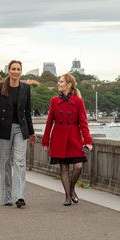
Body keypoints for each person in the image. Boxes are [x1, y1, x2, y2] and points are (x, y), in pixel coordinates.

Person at [0, 60, 37, 208]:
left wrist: (31, 132)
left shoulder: (25, 88)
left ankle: (20, 196)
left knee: (20, 162)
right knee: (5, 163)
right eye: (13, 69)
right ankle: (6, 197)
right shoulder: (0, 87)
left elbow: (27, 111)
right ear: (8, 70)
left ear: (21, 71)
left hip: (20, 129)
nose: (16, 71)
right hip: (4, 128)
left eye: (18, 69)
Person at [42, 73, 93, 206]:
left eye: (61, 81)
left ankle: (71, 189)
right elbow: (49, 122)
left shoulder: (78, 101)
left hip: (74, 138)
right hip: (59, 138)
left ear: (69, 85)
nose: (58, 83)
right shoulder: (54, 100)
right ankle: (67, 196)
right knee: (63, 168)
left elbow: (84, 123)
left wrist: (88, 141)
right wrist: (45, 141)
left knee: (78, 166)